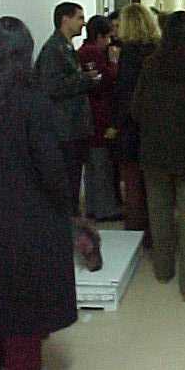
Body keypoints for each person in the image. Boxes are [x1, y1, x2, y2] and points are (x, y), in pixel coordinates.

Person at [0, 18, 77, 370]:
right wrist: (65, 205)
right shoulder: (32, 102)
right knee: (24, 296)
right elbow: (50, 166)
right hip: (26, 213)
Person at [131, 11, 185, 301]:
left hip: (155, 151)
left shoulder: (150, 65)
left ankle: (163, 270)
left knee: (159, 213)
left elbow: (137, 109)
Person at [34, 2, 98, 216]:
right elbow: (52, 86)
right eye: (79, 18)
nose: (83, 23)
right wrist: (85, 80)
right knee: (67, 181)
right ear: (65, 19)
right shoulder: (54, 50)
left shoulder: (66, 48)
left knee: (73, 179)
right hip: (64, 129)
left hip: (73, 127)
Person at [114, 4, 159, 244]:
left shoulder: (128, 53)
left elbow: (124, 93)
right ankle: (156, 230)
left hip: (132, 127)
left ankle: (135, 232)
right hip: (154, 126)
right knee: (153, 185)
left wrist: (116, 124)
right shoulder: (158, 50)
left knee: (133, 184)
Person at [78, 15, 121, 221]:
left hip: (90, 115)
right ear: (100, 36)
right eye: (107, 37)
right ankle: (105, 208)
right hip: (98, 114)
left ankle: (93, 206)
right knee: (100, 163)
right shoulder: (93, 53)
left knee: (92, 165)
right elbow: (107, 79)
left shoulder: (82, 51)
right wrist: (113, 62)